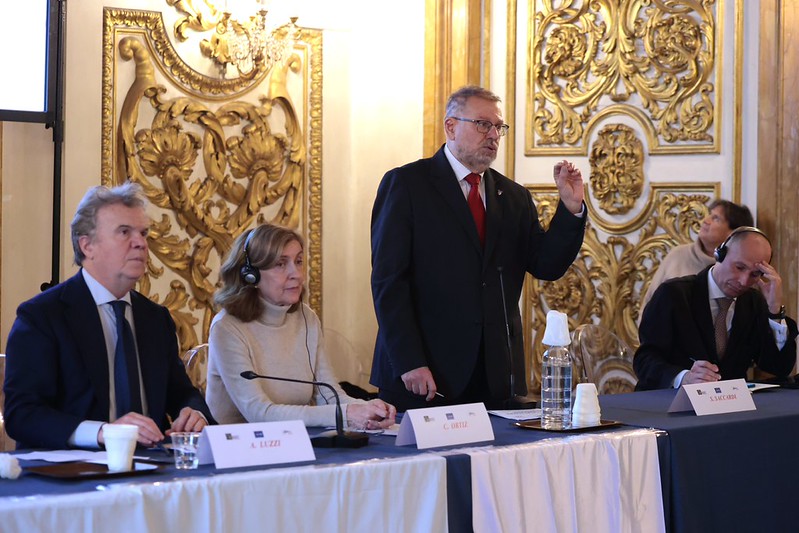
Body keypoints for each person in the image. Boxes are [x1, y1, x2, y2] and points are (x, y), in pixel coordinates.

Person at [370, 85, 586, 411]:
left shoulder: (513, 197)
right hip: (424, 373)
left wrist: (570, 210)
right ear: (451, 127)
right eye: (483, 124)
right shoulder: (407, 185)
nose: (494, 135)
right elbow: (389, 283)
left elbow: (546, 265)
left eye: (499, 127)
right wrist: (408, 361)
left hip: (494, 376)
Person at [3, 182, 213, 449]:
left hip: (152, 470)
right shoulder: (42, 316)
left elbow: (181, 393)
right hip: (73, 472)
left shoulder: (155, 318)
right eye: (124, 232)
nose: (140, 243)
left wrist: (194, 413)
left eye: (143, 233)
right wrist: (103, 432)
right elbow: (22, 415)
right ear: (87, 245)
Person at [207, 224, 396, 430]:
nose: (296, 274)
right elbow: (259, 413)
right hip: (239, 448)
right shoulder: (226, 328)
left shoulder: (306, 317)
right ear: (250, 275)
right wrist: (346, 414)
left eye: (298, 261)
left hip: (296, 441)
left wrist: (370, 408)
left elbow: (329, 396)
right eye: (281, 264)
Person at [634, 226, 797, 390]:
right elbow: (645, 360)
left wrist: (775, 311)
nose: (743, 281)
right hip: (668, 402)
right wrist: (683, 377)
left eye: (755, 274)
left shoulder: (754, 302)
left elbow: (779, 368)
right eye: (739, 267)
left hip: (730, 408)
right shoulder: (673, 294)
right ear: (719, 254)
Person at [640, 199, 754, 312]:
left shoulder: (744, 270)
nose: (706, 221)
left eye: (716, 218)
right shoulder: (677, 255)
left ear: (732, 234)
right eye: (709, 215)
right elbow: (649, 303)